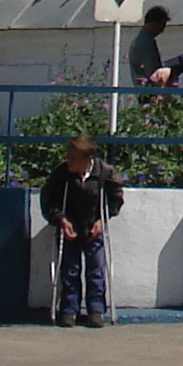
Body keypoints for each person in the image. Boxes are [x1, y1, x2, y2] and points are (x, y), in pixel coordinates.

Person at [38, 134, 125, 328]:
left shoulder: (104, 173)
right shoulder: (62, 174)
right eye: (68, 157)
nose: (69, 162)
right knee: (69, 270)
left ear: (88, 159)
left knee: (96, 270)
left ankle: (96, 311)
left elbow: (116, 198)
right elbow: (48, 200)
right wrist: (60, 219)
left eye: (74, 159)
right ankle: (69, 310)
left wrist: (103, 220)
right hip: (70, 228)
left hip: (93, 228)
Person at [126, 5, 183, 89]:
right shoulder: (145, 43)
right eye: (161, 26)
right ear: (153, 23)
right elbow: (153, 73)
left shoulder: (141, 40)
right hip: (149, 91)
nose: (162, 31)